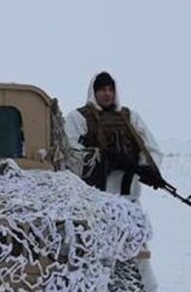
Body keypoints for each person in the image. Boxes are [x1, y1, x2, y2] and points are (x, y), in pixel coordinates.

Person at [65, 71, 164, 202]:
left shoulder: (130, 117)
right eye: (102, 89)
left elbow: (152, 149)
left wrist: (145, 168)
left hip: (129, 198)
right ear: (93, 92)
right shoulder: (78, 117)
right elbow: (69, 150)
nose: (107, 93)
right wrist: (99, 157)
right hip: (93, 199)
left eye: (111, 89)